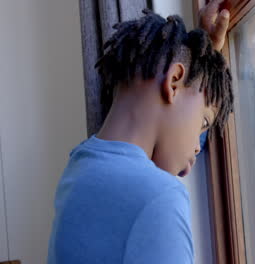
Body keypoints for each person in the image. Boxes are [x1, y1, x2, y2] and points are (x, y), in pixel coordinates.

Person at [47, 1, 232, 263]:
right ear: (175, 81)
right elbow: (150, 182)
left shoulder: (79, 166)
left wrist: (205, 57)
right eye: (203, 122)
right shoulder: (160, 198)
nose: (197, 147)